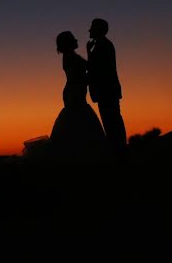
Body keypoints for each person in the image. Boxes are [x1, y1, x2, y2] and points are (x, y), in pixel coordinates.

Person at [49, 31, 108, 162]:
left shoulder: (72, 56)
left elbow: (88, 67)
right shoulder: (69, 57)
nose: (77, 41)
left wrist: (89, 52)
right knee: (77, 120)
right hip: (73, 94)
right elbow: (76, 77)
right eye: (73, 39)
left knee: (78, 121)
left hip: (76, 92)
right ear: (68, 43)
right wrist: (90, 78)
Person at [86, 18, 127, 160]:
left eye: (92, 27)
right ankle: (119, 151)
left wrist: (89, 54)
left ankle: (119, 154)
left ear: (99, 29)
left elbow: (97, 69)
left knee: (112, 123)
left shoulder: (104, 46)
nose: (89, 30)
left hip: (107, 91)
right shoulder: (102, 45)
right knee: (112, 122)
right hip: (107, 91)